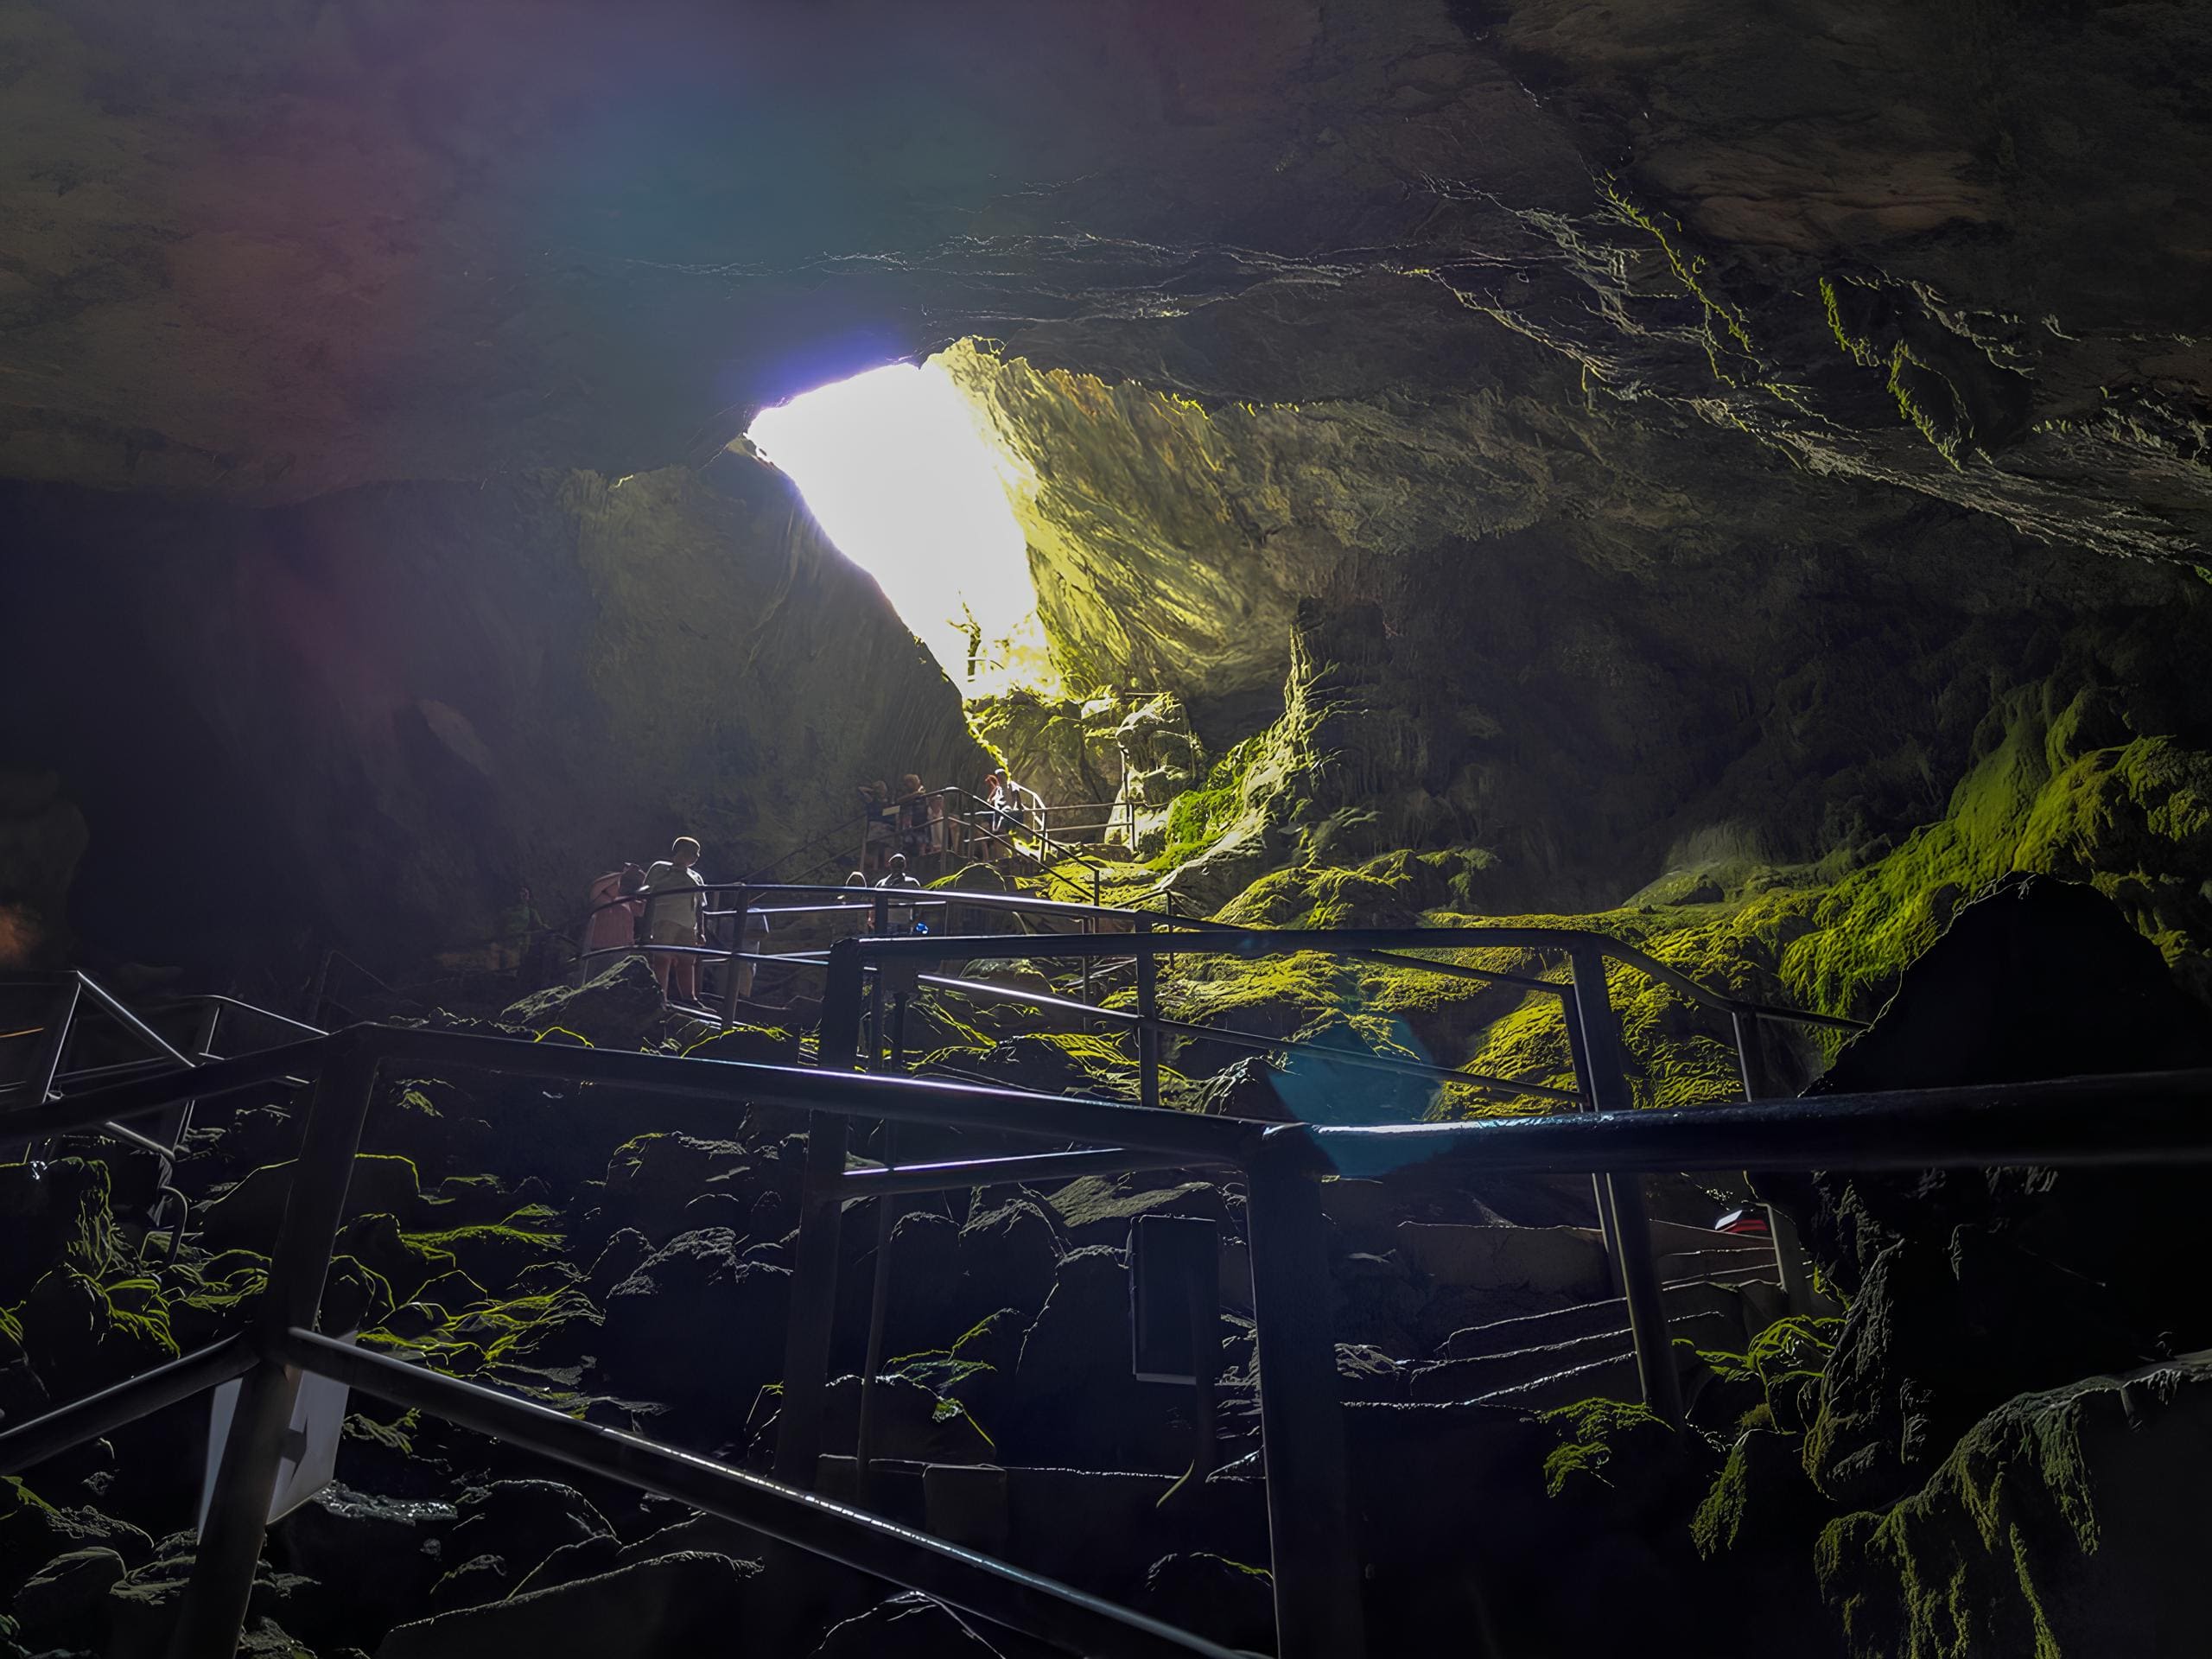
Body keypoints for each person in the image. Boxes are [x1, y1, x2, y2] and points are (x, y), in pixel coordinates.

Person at [638, 836, 708, 1003]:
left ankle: (690, 998)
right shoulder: (660, 868)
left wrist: (701, 932)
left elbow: (700, 905)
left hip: (689, 924)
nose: (694, 857)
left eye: (697, 854)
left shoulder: (696, 877)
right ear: (680, 852)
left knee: (687, 961)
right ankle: (660, 996)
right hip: (664, 919)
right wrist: (646, 929)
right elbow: (647, 893)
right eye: (691, 853)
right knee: (662, 959)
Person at [583, 863, 645, 970]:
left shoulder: (626, 901)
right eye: (614, 883)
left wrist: (644, 877)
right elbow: (597, 886)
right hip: (598, 949)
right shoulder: (599, 899)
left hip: (622, 949)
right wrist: (623, 873)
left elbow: (644, 908)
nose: (618, 885)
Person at [495, 886, 545, 975]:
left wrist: (551, 930)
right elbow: (499, 927)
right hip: (506, 942)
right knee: (503, 963)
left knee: (515, 964)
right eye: (520, 892)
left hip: (521, 943)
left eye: (525, 894)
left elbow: (540, 925)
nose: (521, 895)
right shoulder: (507, 912)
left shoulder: (531, 912)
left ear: (528, 897)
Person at [874, 853, 923, 936]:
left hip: (904, 923)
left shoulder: (912, 883)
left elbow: (920, 904)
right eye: (894, 864)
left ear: (904, 866)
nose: (897, 867)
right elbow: (874, 903)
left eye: (900, 864)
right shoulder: (881, 884)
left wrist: (915, 921)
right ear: (890, 865)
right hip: (885, 923)